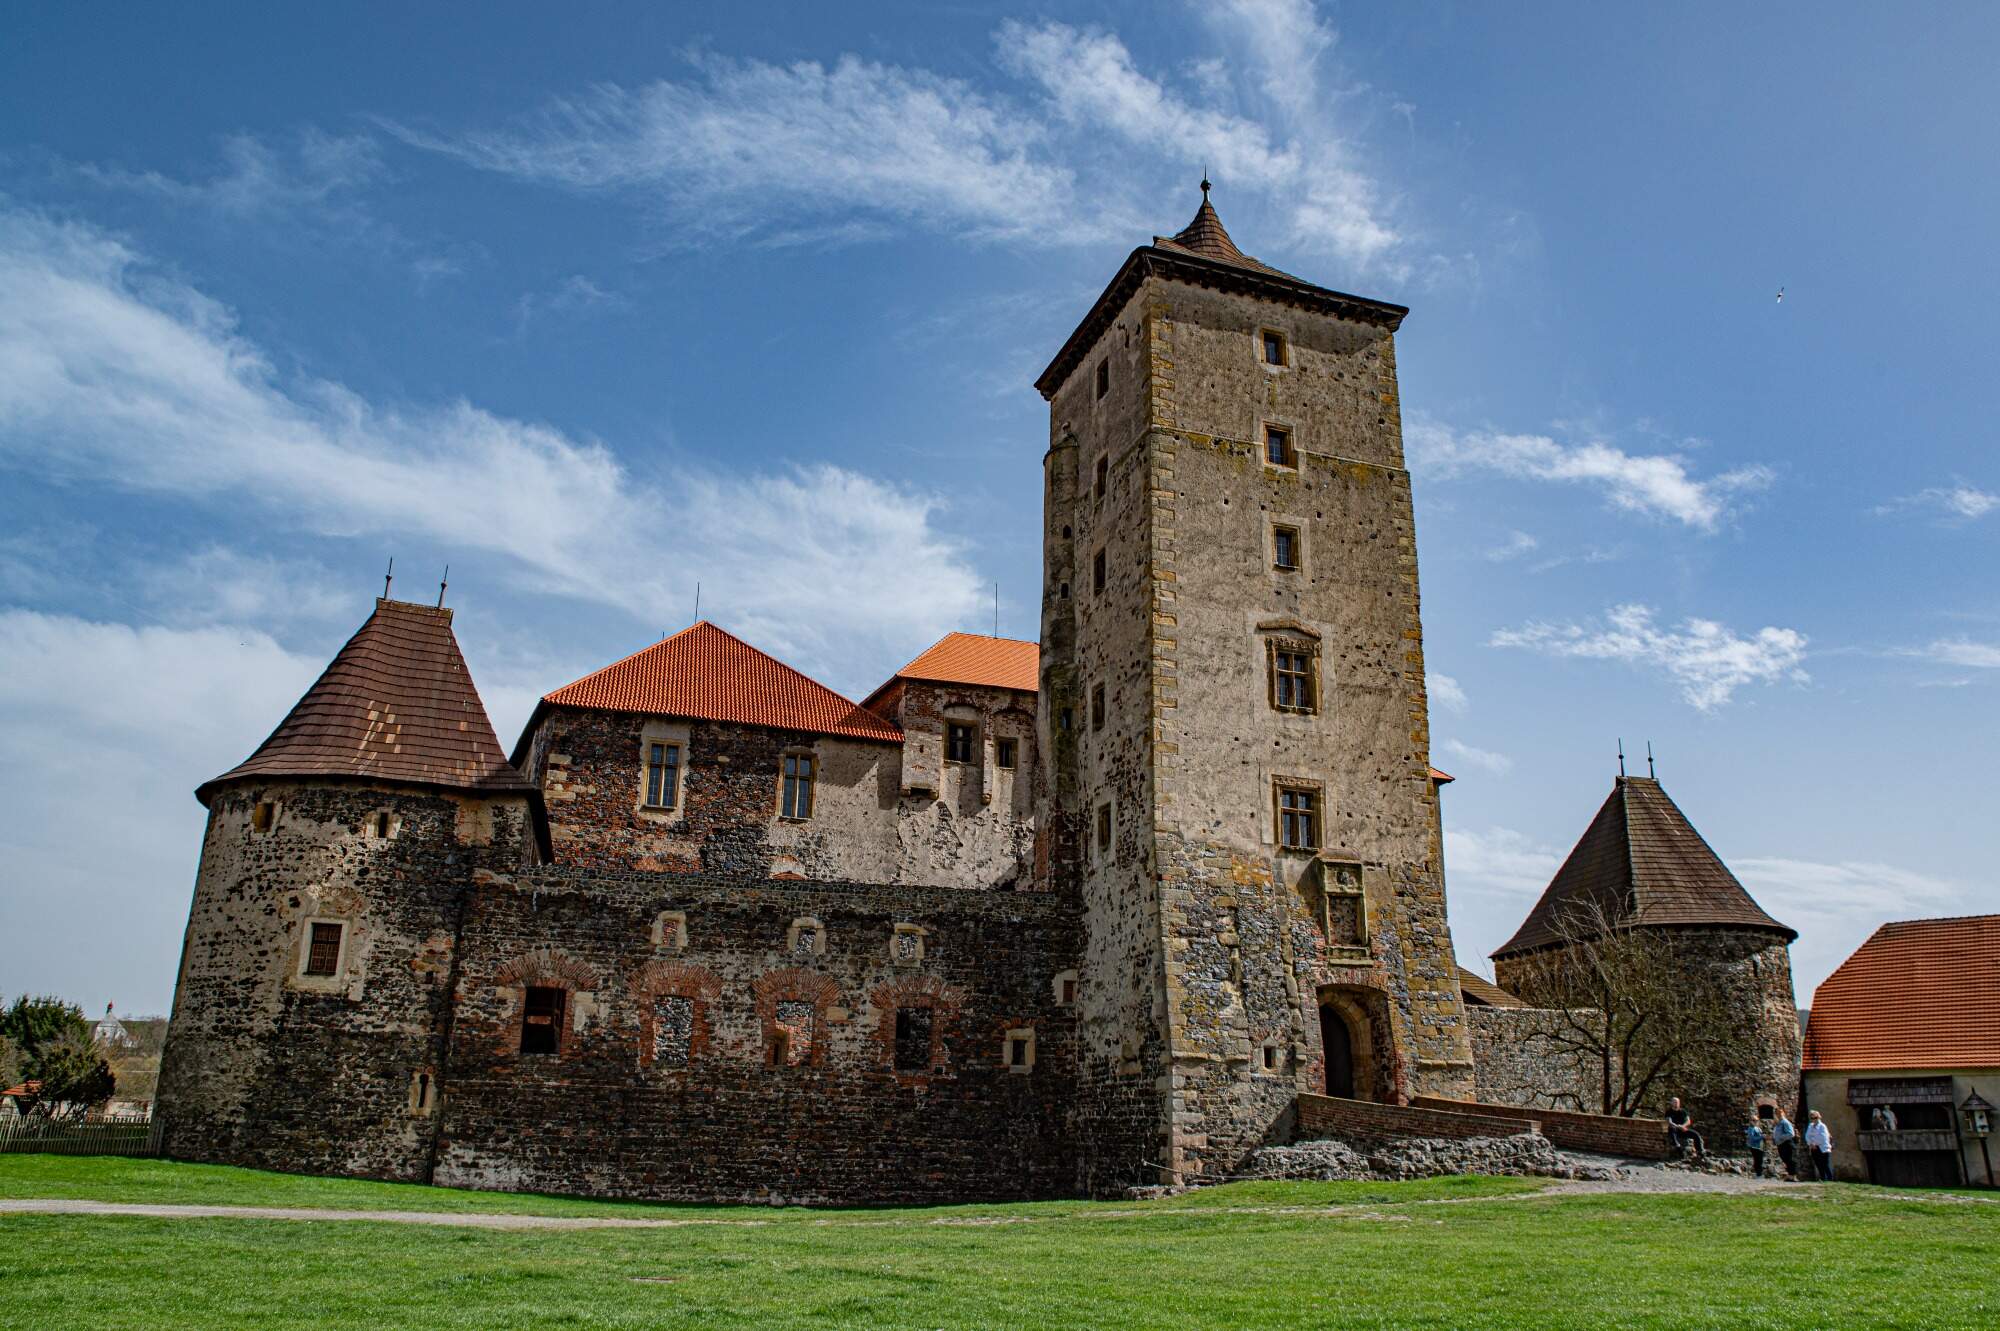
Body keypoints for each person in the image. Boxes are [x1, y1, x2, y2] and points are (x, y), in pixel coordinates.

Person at [1805, 1109, 1834, 1181]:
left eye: (1815, 1117)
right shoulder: (1810, 1126)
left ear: (1818, 1117)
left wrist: (1815, 1143)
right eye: (1812, 1118)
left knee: (1825, 1164)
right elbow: (1807, 1136)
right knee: (1818, 1163)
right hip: (1813, 1147)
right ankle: (1822, 1178)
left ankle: (1830, 1178)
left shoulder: (1822, 1126)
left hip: (1822, 1147)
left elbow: (1823, 1137)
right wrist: (1811, 1143)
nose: (1814, 1119)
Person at [1772, 1111, 1798, 1178]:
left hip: (1787, 1144)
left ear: (1783, 1114)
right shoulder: (1779, 1123)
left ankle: (1793, 1176)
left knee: (1790, 1160)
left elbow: (1791, 1133)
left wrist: (1780, 1137)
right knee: (1786, 1160)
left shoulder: (1785, 1122)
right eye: (1777, 1114)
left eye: (1780, 1114)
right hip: (1781, 1145)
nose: (1778, 1116)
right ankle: (1790, 1175)